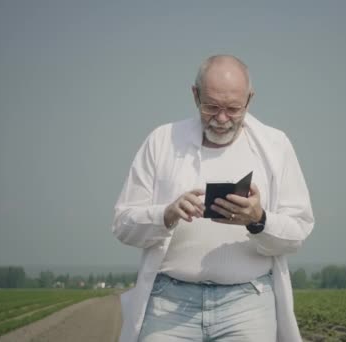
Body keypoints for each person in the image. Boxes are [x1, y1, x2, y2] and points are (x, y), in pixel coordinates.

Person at [112, 55, 314, 342]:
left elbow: (298, 232)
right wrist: (165, 215)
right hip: (168, 302)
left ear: (250, 99)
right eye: (211, 106)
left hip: (248, 305)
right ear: (195, 95)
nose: (221, 119)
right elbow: (122, 224)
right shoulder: (161, 140)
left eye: (233, 109)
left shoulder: (276, 146)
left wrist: (259, 220)